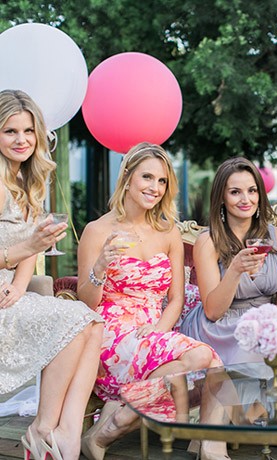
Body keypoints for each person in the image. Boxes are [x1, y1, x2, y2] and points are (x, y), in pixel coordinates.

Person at [77, 142, 222, 460]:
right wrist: (99, 267)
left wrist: (159, 329)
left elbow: (176, 298)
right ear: (127, 177)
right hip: (112, 332)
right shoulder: (96, 231)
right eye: (147, 177)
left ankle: (108, 428)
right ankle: (114, 425)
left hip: (153, 330)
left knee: (200, 361)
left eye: (162, 181)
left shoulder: (168, 232)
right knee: (202, 358)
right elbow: (86, 303)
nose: (155, 188)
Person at [0, 89, 104, 460]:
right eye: (10, 131)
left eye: (28, 131)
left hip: (7, 294)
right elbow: (26, 246)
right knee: (77, 320)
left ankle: (66, 432)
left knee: (92, 322)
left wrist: (18, 284)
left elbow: (32, 246)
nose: (22, 140)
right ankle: (44, 429)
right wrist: (23, 252)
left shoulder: (27, 182)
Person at [180, 156, 277, 364]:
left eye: (252, 190)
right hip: (222, 328)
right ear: (221, 198)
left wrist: (271, 326)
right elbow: (213, 312)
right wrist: (235, 270)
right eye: (235, 192)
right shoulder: (208, 242)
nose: (246, 199)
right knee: (250, 351)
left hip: (268, 321)